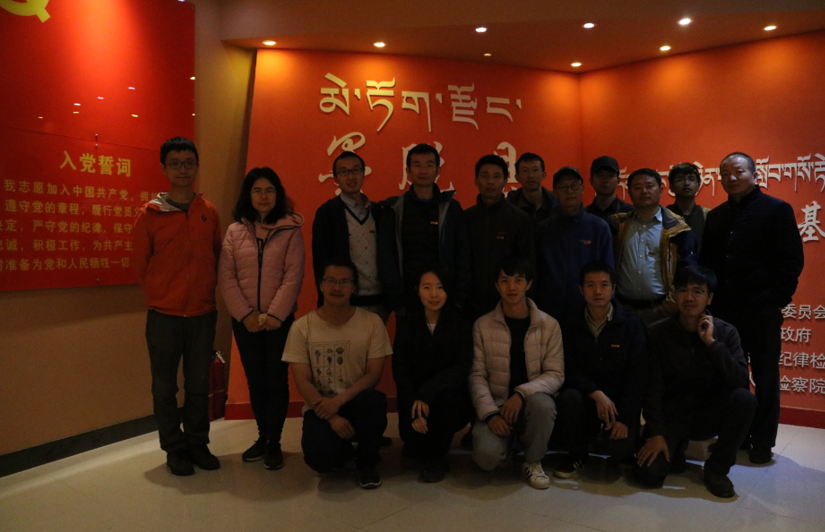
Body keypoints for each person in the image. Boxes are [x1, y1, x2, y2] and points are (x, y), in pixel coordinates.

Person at [700, 152, 804, 464]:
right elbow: (708, 264)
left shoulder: (776, 209)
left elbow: (792, 262)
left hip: (762, 311)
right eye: (725, 174)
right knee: (731, 376)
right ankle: (737, 435)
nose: (732, 178)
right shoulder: (716, 216)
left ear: (754, 175)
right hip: (725, 313)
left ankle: (763, 441)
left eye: (739, 171)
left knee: (765, 377)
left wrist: (774, 300)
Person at [133, 137, 222, 476]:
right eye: (175, 163)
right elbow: (140, 265)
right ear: (164, 169)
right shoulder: (149, 214)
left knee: (198, 385)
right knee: (164, 387)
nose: (183, 169)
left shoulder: (208, 211)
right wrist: (162, 294)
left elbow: (216, 256)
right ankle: (174, 448)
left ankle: (198, 443)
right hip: (163, 316)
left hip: (202, 314)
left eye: (188, 163)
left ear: (196, 167)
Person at [636, 266, 756, 498]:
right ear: (675, 294)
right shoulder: (657, 334)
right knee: (648, 475)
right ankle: (676, 448)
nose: (689, 297)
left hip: (710, 415)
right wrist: (656, 433)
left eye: (697, 291)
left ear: (709, 297)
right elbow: (652, 388)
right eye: (683, 290)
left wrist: (712, 343)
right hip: (673, 418)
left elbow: (740, 379)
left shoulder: (726, 332)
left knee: (745, 399)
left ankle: (717, 469)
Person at [218, 167, 305, 470]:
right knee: (256, 381)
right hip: (246, 322)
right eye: (257, 190)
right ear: (248, 195)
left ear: (278, 194)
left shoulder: (291, 230)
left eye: (270, 190)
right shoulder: (234, 231)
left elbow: (293, 276)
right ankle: (262, 435)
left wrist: (275, 315)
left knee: (277, 381)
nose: (264, 196)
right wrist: (246, 315)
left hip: (279, 322)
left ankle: (274, 442)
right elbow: (226, 277)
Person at [283, 259, 392, 489]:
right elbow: (302, 380)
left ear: (354, 287)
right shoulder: (302, 327)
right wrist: (332, 416)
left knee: (372, 402)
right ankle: (342, 448)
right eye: (331, 281)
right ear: (321, 285)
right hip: (320, 406)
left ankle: (367, 461)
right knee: (321, 460)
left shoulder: (372, 323)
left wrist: (339, 401)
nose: (337, 287)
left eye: (344, 282)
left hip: (356, 400)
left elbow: (374, 375)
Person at [469, 256, 564, 489]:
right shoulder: (482, 325)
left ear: (528, 284)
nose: (511, 287)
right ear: (496, 285)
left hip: (531, 403)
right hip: (497, 405)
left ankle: (533, 461)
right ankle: (508, 445)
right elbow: (477, 376)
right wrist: (490, 414)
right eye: (505, 280)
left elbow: (555, 374)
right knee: (486, 458)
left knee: (544, 405)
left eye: (518, 280)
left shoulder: (549, 325)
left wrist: (521, 393)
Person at [553, 261, 646, 478]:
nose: (597, 291)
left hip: (619, 404)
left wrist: (625, 418)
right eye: (591, 285)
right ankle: (577, 455)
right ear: (581, 290)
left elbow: (638, 375)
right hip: (588, 398)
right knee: (568, 397)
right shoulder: (571, 324)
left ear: (613, 289)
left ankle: (619, 440)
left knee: (620, 451)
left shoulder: (631, 324)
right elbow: (568, 368)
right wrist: (595, 393)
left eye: (604, 285)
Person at [392, 267, 473, 482]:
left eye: (440, 287)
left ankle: (439, 459)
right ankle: (421, 440)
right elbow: (400, 369)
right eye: (427, 287)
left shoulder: (461, 325)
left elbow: (461, 368)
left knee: (448, 401)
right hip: (415, 398)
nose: (434, 294)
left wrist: (427, 393)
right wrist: (414, 405)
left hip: (446, 397)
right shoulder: (407, 324)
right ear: (417, 290)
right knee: (413, 444)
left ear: (448, 291)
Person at [378, 143, 471, 313]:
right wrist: (397, 301)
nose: (423, 171)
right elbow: (387, 257)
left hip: (445, 297)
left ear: (438, 170)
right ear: (408, 171)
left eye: (429, 165)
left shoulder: (451, 208)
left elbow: (462, 254)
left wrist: (458, 298)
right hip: (407, 298)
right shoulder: (393, 209)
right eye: (417, 165)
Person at [611, 168, 697, 325]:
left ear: (661, 190)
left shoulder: (678, 229)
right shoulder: (618, 225)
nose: (644, 191)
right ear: (629, 193)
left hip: (661, 311)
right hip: (623, 309)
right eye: (637, 187)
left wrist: (669, 306)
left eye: (649, 186)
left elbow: (686, 272)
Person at [312, 151, 387, 321]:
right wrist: (325, 301)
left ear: (363, 174)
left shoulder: (378, 212)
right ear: (335, 178)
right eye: (344, 172)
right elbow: (320, 261)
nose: (351, 176)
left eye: (355, 170)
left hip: (380, 301)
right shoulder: (327, 213)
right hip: (344, 302)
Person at [535, 166, 614, 322]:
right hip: (549, 312)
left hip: (589, 312)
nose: (569, 191)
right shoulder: (543, 229)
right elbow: (537, 271)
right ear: (555, 193)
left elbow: (608, 272)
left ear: (583, 189)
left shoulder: (598, 227)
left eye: (574, 186)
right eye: (563, 187)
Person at [464, 154, 535, 321]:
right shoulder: (465, 219)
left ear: (505, 181)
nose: (490, 182)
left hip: (510, 304)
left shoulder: (520, 219)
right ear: (476, 180)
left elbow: (529, 265)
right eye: (485, 176)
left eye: (496, 176)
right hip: (470, 305)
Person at [666, 162, 710, 251]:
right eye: (680, 179)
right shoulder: (663, 215)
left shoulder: (708, 215)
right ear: (671, 187)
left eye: (691, 179)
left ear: (698, 185)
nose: (686, 183)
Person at [506, 152, 558, 226]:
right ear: (517, 178)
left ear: (543, 175)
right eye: (525, 171)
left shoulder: (556, 203)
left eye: (535, 170)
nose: (530, 175)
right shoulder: (509, 207)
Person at [585, 155, 633, 224]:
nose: (605, 180)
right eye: (599, 175)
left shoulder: (630, 213)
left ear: (618, 180)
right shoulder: (584, 215)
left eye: (610, 175)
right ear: (591, 181)